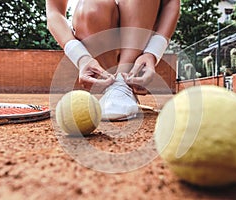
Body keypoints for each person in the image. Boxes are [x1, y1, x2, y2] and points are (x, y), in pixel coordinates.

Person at [46, 0, 180, 120]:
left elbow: (170, 2)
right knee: (91, 7)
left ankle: (123, 81)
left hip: (145, 25)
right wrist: (81, 58)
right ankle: (111, 83)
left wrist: (152, 53)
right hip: (102, 30)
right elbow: (54, 11)